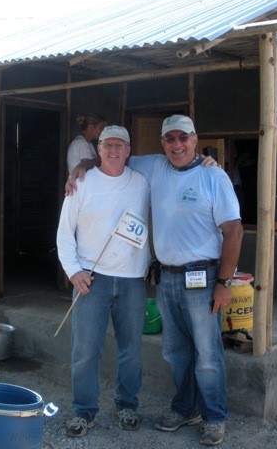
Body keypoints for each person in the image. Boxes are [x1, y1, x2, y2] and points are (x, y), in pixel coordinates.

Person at [67, 115, 243, 446]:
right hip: (168, 277)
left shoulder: (212, 175)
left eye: (183, 138)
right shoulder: (155, 167)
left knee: (207, 352)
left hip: (203, 276)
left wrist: (225, 281)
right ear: (162, 143)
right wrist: (86, 163)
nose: (177, 145)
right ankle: (185, 409)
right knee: (175, 351)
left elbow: (233, 229)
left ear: (195, 139)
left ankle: (215, 416)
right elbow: (115, 155)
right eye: (169, 139)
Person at [56, 125, 151, 438]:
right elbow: (65, 232)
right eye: (107, 144)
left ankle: (127, 405)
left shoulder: (142, 183)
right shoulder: (82, 183)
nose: (113, 150)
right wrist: (73, 271)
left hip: (132, 281)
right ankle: (84, 412)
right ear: (98, 149)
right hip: (91, 280)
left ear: (128, 150)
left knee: (131, 350)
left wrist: (209, 162)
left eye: (119, 145)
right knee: (86, 350)